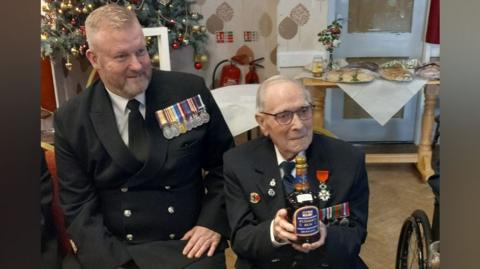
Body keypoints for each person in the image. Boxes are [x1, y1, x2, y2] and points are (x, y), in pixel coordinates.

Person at [53, 4, 234, 269]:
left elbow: (226, 166)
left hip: (188, 242)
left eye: (141, 51)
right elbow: (78, 206)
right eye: (121, 56)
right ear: (94, 59)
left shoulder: (188, 91)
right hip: (115, 247)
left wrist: (211, 223)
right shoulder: (72, 119)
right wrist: (114, 261)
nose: (137, 65)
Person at [223, 75, 369, 268]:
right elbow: (241, 238)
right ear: (263, 123)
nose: (299, 125)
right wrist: (273, 233)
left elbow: (356, 234)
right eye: (284, 116)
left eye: (303, 111)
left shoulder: (349, 159)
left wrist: (326, 234)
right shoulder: (238, 162)